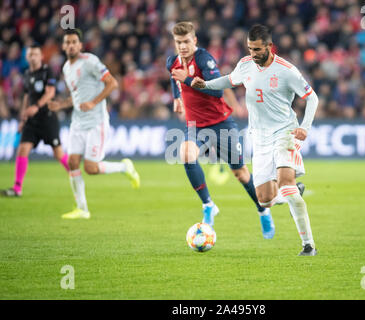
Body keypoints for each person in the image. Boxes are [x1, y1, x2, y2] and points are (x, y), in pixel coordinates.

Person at [191, 24, 318, 256]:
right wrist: (206, 84)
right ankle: (290, 192)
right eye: (250, 49)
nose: (253, 54)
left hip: (284, 133)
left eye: (257, 49)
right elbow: (229, 80)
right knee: (265, 199)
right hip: (259, 137)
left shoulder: (286, 70)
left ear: (269, 46)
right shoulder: (246, 64)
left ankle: (308, 245)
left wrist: (304, 128)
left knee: (286, 184)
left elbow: (312, 98)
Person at [168, 21, 299, 239]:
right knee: (185, 154)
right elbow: (174, 78)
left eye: (186, 42)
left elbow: (217, 92)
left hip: (220, 123)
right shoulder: (172, 62)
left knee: (240, 173)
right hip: (195, 125)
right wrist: (176, 97)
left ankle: (263, 209)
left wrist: (188, 80)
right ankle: (208, 205)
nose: (182, 46)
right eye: (179, 42)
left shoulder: (204, 59)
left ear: (195, 41)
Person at [48, 29, 140, 219]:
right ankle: (82, 209)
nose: (71, 45)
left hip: (96, 122)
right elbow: (77, 96)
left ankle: (125, 167)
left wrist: (93, 102)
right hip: (77, 122)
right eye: (68, 42)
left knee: (90, 168)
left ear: (80, 45)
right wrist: (62, 104)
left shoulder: (90, 61)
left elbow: (112, 83)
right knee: (72, 162)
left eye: (75, 42)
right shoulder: (66, 67)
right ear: (64, 46)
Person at [2, 43, 69, 197]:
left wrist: (37, 106)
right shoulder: (26, 75)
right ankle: (17, 188)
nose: (33, 57)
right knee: (22, 149)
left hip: (47, 118)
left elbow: (50, 92)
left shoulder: (47, 72)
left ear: (41, 56)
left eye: (36, 54)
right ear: (27, 57)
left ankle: (75, 175)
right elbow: (27, 97)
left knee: (58, 153)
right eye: (30, 55)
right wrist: (23, 118)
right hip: (32, 121)